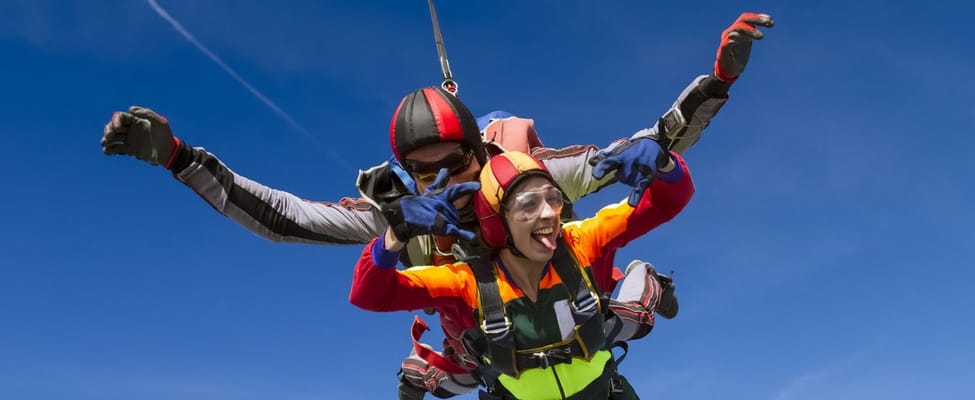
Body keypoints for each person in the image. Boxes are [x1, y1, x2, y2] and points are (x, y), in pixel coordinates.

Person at [98, 12, 773, 398]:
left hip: (580, 319)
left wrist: (716, 81)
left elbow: (652, 148)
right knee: (426, 374)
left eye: (450, 167)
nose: (436, 184)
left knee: (626, 308)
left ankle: (649, 285)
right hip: (496, 355)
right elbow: (287, 221)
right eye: (419, 174)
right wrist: (183, 159)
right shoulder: (410, 213)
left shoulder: (531, 180)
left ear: (477, 153)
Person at [350, 144, 695, 399]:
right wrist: (395, 236)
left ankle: (650, 282)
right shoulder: (466, 282)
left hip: (603, 391)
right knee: (459, 371)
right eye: (529, 204)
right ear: (498, 223)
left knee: (630, 318)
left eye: (552, 199)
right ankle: (418, 371)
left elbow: (669, 199)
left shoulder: (582, 241)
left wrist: (665, 165)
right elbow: (370, 295)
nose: (548, 214)